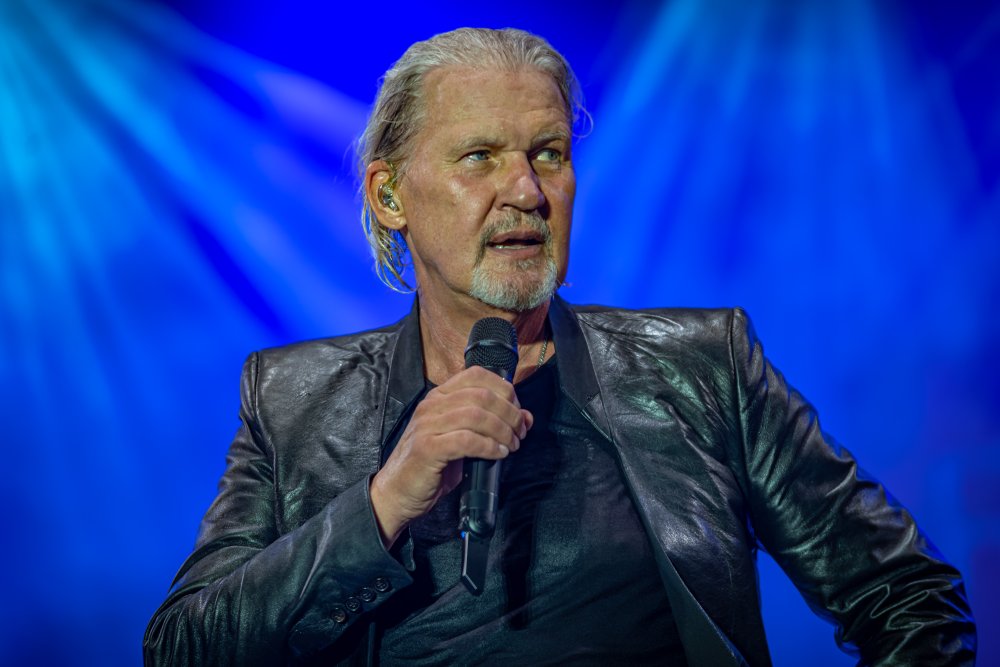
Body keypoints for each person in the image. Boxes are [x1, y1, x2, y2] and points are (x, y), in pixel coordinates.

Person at [144, 28, 976, 666]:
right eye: (480, 157)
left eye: (549, 154)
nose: (528, 191)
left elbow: (909, 594)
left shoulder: (704, 369)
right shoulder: (291, 399)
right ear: (390, 194)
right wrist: (384, 501)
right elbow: (184, 647)